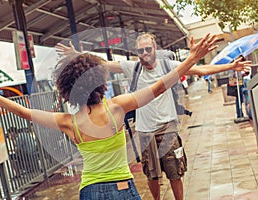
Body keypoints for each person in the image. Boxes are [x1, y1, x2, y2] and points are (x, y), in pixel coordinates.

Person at [0, 35, 216, 199]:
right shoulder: (117, 107)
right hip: (121, 188)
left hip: (90, 191)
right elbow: (160, 86)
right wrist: (191, 59)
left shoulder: (68, 121)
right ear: (100, 82)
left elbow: (23, 112)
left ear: (68, 89)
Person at [56, 33, 251, 200]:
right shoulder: (132, 67)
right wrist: (77, 55)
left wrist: (230, 67)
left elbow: (200, 69)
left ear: (155, 48)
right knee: (152, 174)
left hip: (168, 127)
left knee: (175, 171)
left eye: (148, 49)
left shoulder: (168, 65)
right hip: (144, 130)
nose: (145, 54)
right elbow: (102, 64)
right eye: (140, 51)